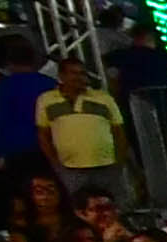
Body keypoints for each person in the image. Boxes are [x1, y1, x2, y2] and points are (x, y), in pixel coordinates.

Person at [37, 56, 127, 219]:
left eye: (82, 73)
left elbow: (119, 131)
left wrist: (118, 162)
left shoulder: (103, 98)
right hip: (70, 168)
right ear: (62, 76)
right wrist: (56, 164)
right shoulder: (46, 99)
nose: (79, 77)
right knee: (78, 212)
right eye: (73, 73)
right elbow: (43, 134)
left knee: (112, 210)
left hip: (106, 165)